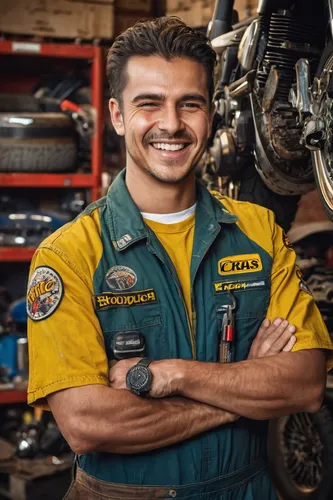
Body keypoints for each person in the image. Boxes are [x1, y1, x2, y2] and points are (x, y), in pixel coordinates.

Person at [26, 17, 333, 500]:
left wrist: (175, 375)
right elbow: (88, 422)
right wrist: (240, 396)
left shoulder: (258, 232)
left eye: (189, 104)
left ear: (209, 113)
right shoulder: (69, 253)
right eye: (149, 104)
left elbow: (306, 384)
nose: (171, 124)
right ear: (118, 115)